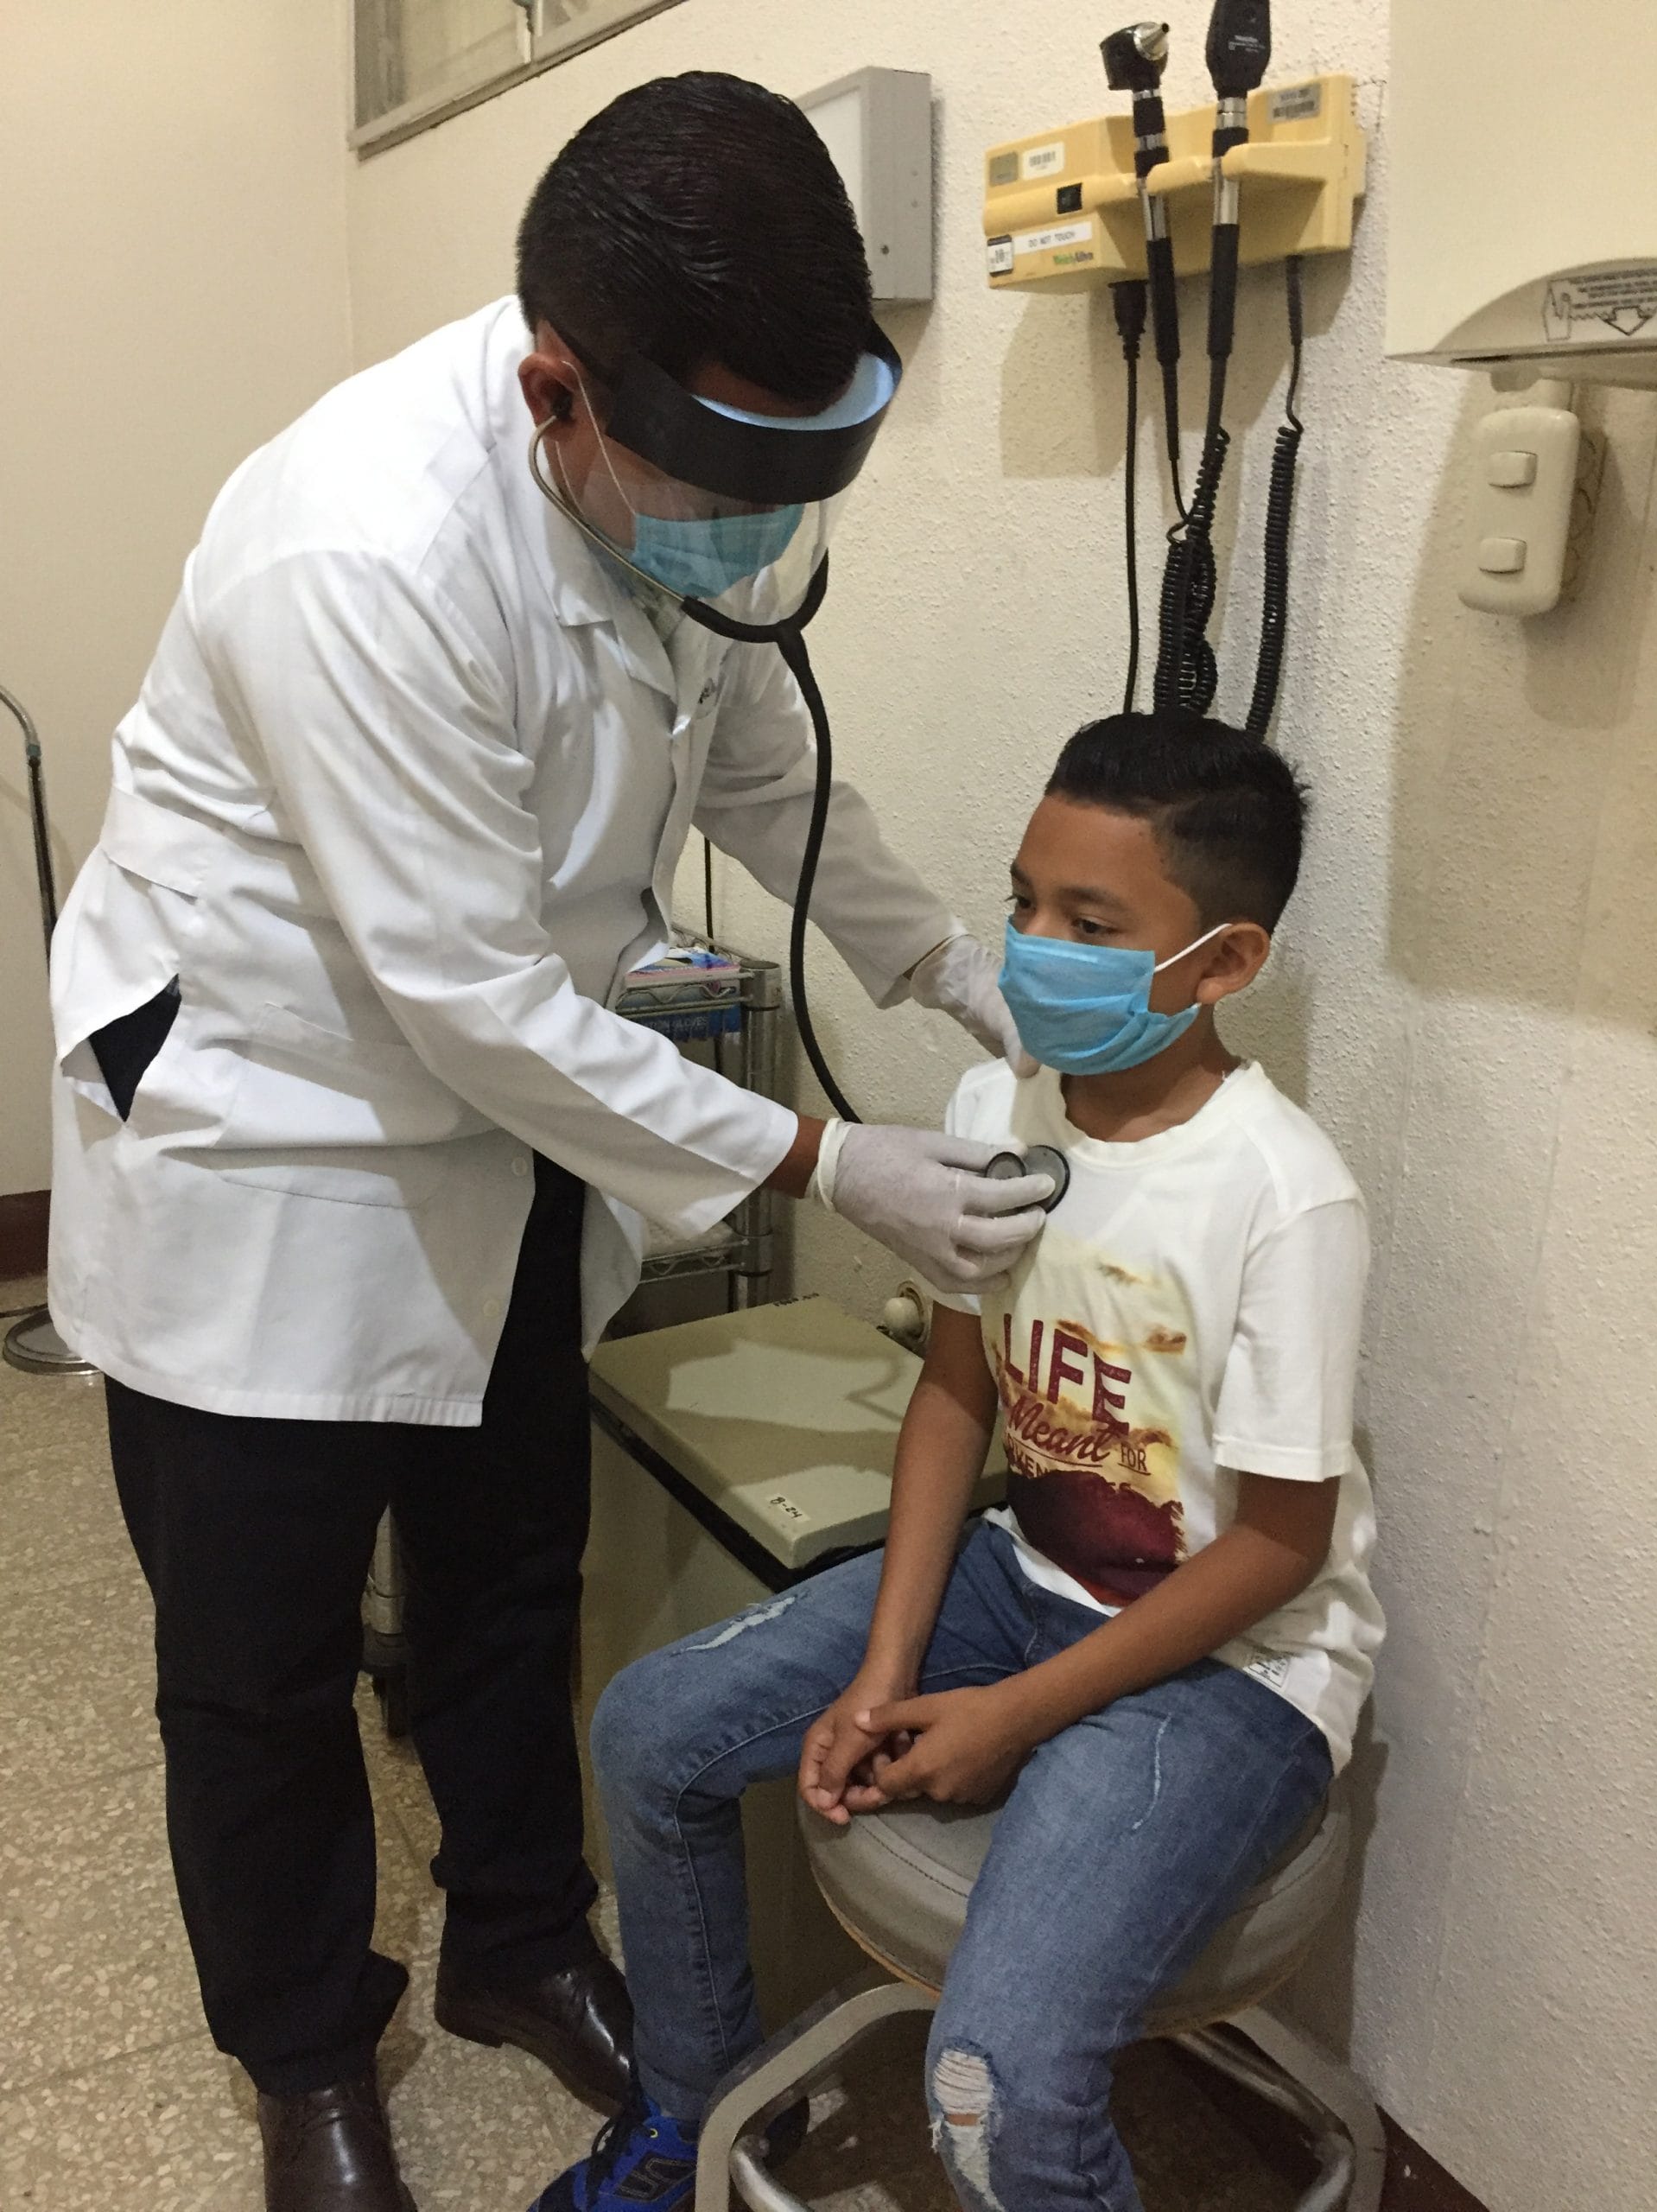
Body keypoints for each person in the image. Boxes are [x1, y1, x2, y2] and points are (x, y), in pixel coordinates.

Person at [45, 73, 1053, 2212]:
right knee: (256, 1657)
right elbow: (461, 1000)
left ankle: (516, 1936)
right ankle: (311, 2050)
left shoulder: (665, 494)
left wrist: (966, 973)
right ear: (556, 391)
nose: (749, 547)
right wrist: (823, 1166)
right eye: (716, 491)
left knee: (505, 1567)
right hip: (266, 1120)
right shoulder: (360, 547)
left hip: (505, 1120)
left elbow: (767, 773)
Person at [552, 709, 1386, 2212]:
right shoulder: (993, 1107)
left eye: (1091, 921)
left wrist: (1009, 1715)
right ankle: (700, 2106)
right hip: (1029, 1575)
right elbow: (955, 1397)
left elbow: (1279, 1548)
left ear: (1225, 965)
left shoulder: (1283, 1196)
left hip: (1231, 1664)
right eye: (1023, 902)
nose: (1034, 946)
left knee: (989, 2092)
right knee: (647, 1730)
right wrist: (884, 1665)